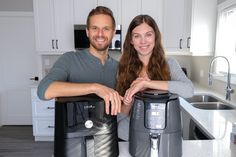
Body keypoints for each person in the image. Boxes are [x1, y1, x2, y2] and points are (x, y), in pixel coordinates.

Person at [116, 14, 194, 140]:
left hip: (163, 137)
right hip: (129, 137)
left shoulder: (170, 64)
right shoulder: (123, 69)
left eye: (148, 34)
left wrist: (147, 83)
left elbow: (188, 90)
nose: (143, 41)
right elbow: (120, 117)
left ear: (155, 36)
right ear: (131, 40)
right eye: (137, 36)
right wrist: (127, 102)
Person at [37, 6, 122, 115]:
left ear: (113, 32)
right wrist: (95, 88)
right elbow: (43, 90)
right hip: (74, 130)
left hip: (108, 130)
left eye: (106, 28)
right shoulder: (69, 59)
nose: (100, 34)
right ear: (87, 31)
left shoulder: (119, 67)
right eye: (95, 28)